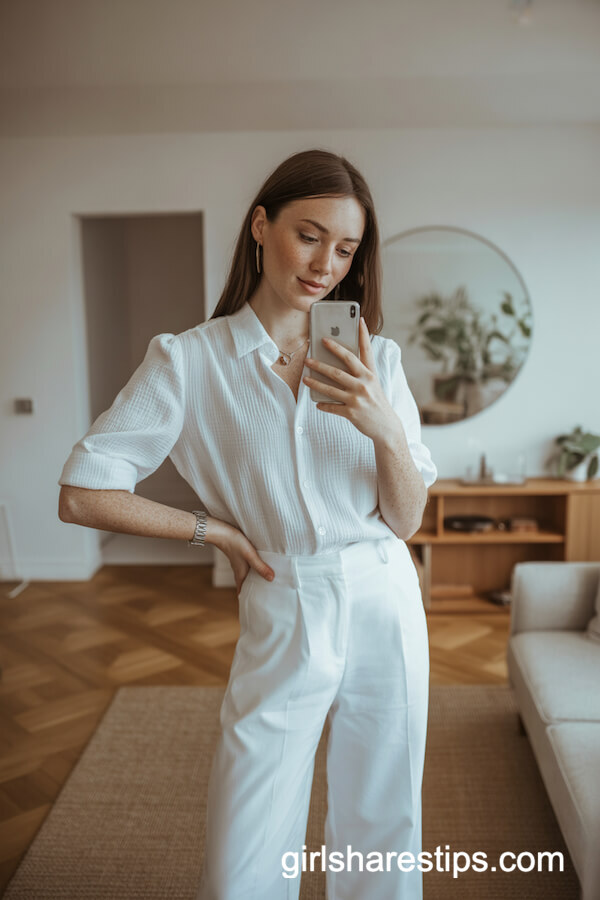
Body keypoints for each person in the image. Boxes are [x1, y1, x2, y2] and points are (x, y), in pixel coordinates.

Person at [58, 148, 437, 900]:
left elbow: (405, 519)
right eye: (309, 234)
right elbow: (82, 492)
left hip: (384, 595)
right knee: (247, 828)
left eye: (346, 248)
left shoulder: (377, 359)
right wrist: (215, 532)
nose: (326, 263)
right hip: (283, 593)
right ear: (260, 225)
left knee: (384, 816)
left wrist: (382, 425)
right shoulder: (188, 362)